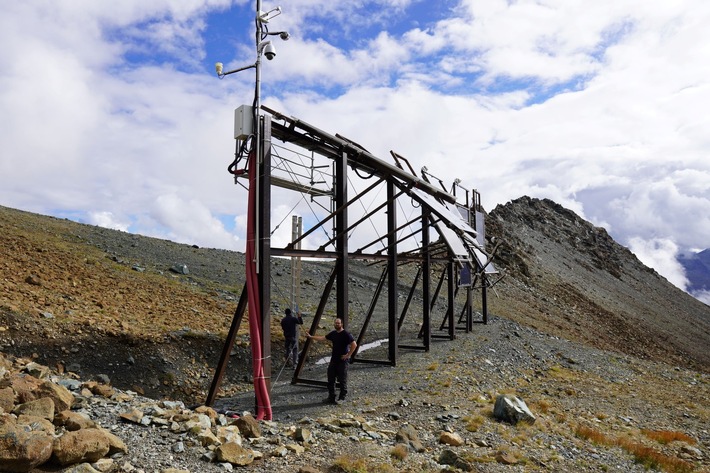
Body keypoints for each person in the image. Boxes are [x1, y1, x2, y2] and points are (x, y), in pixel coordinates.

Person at [306, 317, 357, 404]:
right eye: (336, 323)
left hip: (342, 361)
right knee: (331, 379)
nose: (337, 324)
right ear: (334, 324)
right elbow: (323, 338)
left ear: (342, 324)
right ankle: (331, 397)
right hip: (334, 360)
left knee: (342, 379)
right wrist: (311, 337)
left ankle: (342, 398)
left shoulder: (346, 334)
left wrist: (348, 355)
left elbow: (354, 345)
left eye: (338, 323)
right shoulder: (333, 333)